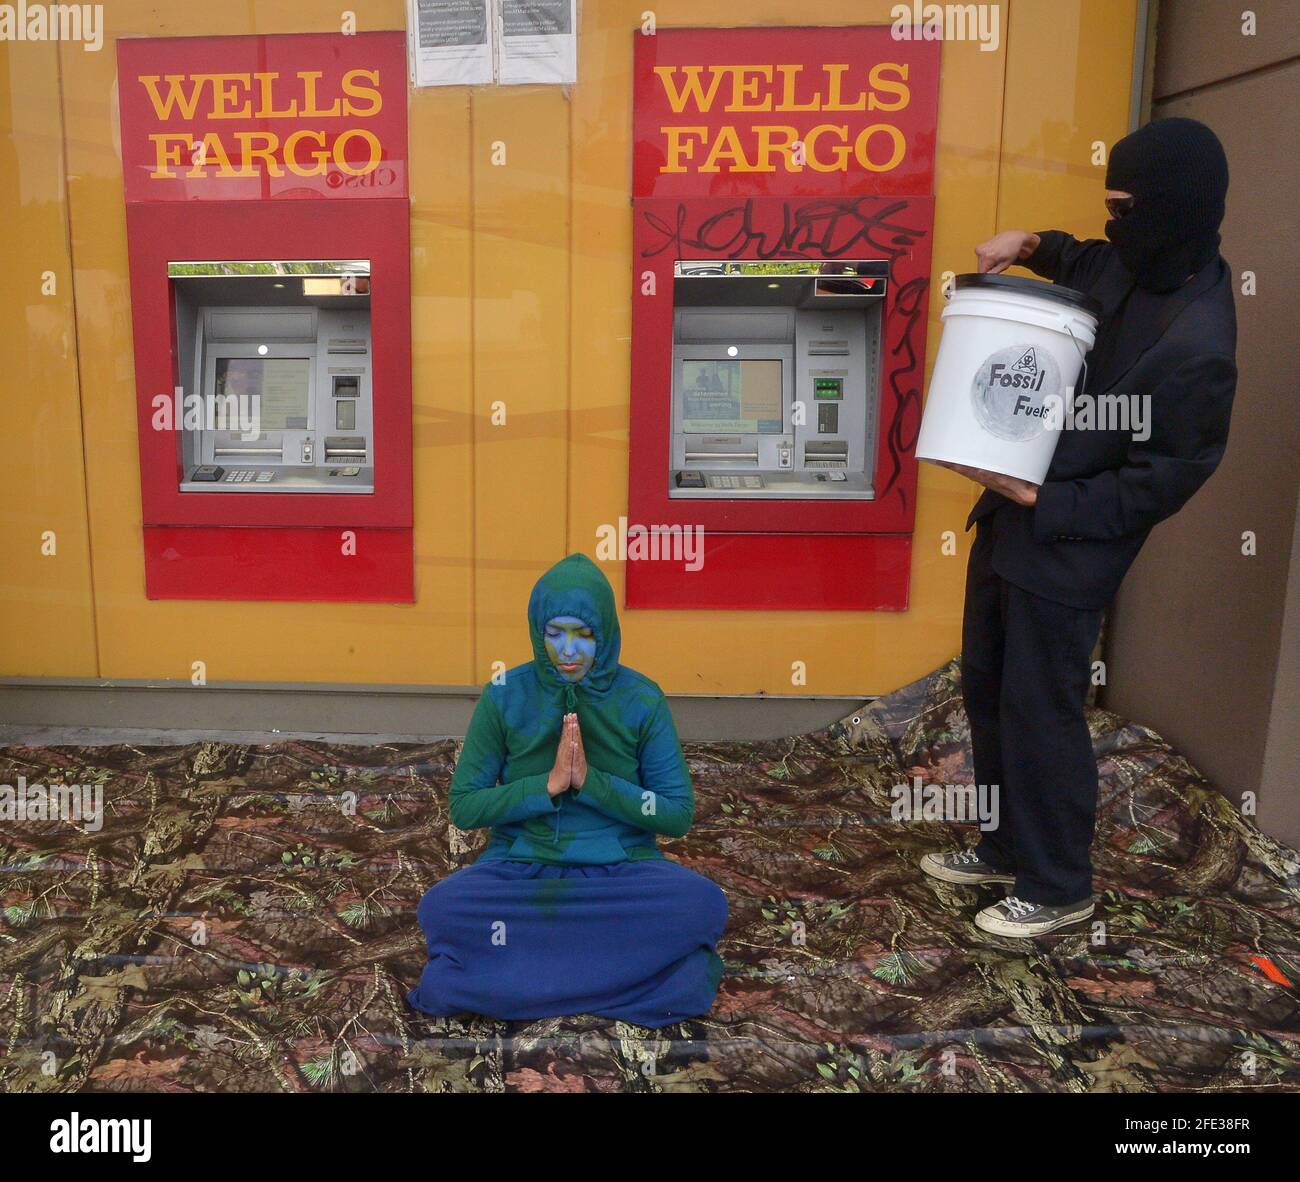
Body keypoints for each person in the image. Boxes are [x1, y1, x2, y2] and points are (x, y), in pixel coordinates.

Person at [920, 117, 1238, 937]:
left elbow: (1165, 479)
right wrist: (1029, 242)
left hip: (1070, 540)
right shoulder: (1132, 256)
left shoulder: (1198, 341)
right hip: (1013, 505)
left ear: (1173, 208)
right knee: (987, 683)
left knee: (1042, 706)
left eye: (1125, 207)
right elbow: (1084, 258)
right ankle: (1001, 844)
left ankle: (1059, 884)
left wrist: (1045, 504)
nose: (1110, 225)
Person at [408, 552, 728, 1027]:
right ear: (539, 632)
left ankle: (513, 983)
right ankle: (641, 980)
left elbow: (676, 814)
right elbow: (465, 806)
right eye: (555, 633)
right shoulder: (503, 693)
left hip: (622, 876)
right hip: (523, 872)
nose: (569, 651)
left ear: (606, 634)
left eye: (584, 635)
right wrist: (549, 785)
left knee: (703, 904)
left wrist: (593, 784)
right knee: (441, 908)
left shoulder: (642, 698)